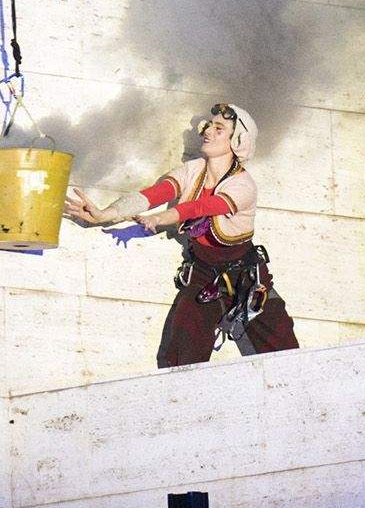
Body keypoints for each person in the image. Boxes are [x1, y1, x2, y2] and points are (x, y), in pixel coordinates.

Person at [63, 103, 300, 368]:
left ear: (237, 141)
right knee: (178, 358)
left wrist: (159, 219)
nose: (208, 131)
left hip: (247, 278)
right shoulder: (193, 170)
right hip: (202, 276)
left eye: (219, 128)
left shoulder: (243, 185)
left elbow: (198, 208)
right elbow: (155, 194)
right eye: (209, 125)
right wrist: (106, 214)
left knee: (286, 354)